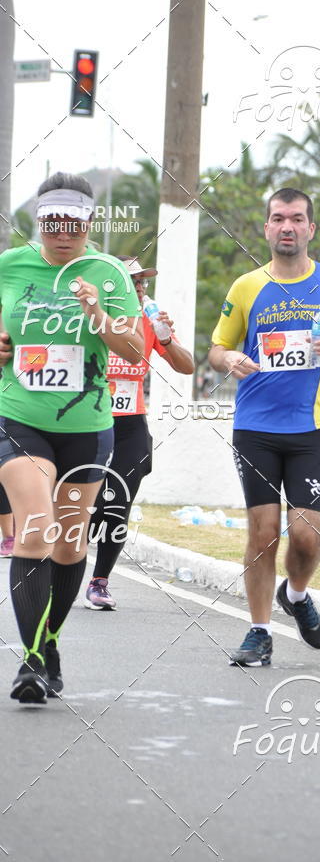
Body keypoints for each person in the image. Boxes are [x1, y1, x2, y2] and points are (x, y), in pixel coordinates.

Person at [0, 172, 144, 703]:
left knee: (69, 541)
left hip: (87, 427)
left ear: (89, 223)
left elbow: (135, 352)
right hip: (19, 416)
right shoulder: (9, 266)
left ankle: (50, 643)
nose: (63, 233)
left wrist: (97, 314)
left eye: (74, 224)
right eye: (52, 223)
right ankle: (33, 661)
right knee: (36, 530)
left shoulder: (109, 273)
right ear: (38, 222)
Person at [209, 187, 320, 666]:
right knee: (263, 534)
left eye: (297, 218)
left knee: (306, 536)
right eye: (278, 218)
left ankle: (295, 595)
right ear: (267, 228)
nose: (287, 227)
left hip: (309, 427)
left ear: (310, 228)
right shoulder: (246, 286)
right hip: (255, 427)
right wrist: (229, 360)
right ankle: (259, 632)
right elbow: (216, 349)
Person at [85, 256, 194, 609]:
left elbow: (187, 366)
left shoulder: (148, 319)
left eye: (142, 282)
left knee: (118, 502)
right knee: (85, 505)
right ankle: (61, 564)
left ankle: (99, 582)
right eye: (132, 281)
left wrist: (167, 339)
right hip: (86, 423)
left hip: (130, 425)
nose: (140, 287)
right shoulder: (92, 316)